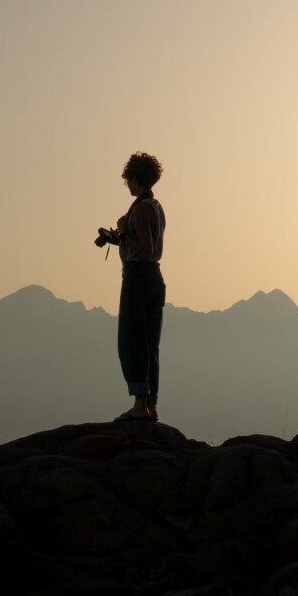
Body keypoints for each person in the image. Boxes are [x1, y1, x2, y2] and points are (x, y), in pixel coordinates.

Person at [94, 152, 167, 422]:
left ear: (136, 179)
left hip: (138, 277)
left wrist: (123, 232)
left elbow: (145, 250)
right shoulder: (155, 206)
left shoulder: (142, 209)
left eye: (129, 180)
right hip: (154, 279)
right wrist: (119, 239)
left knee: (133, 339)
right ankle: (151, 405)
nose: (128, 184)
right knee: (150, 343)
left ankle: (139, 405)